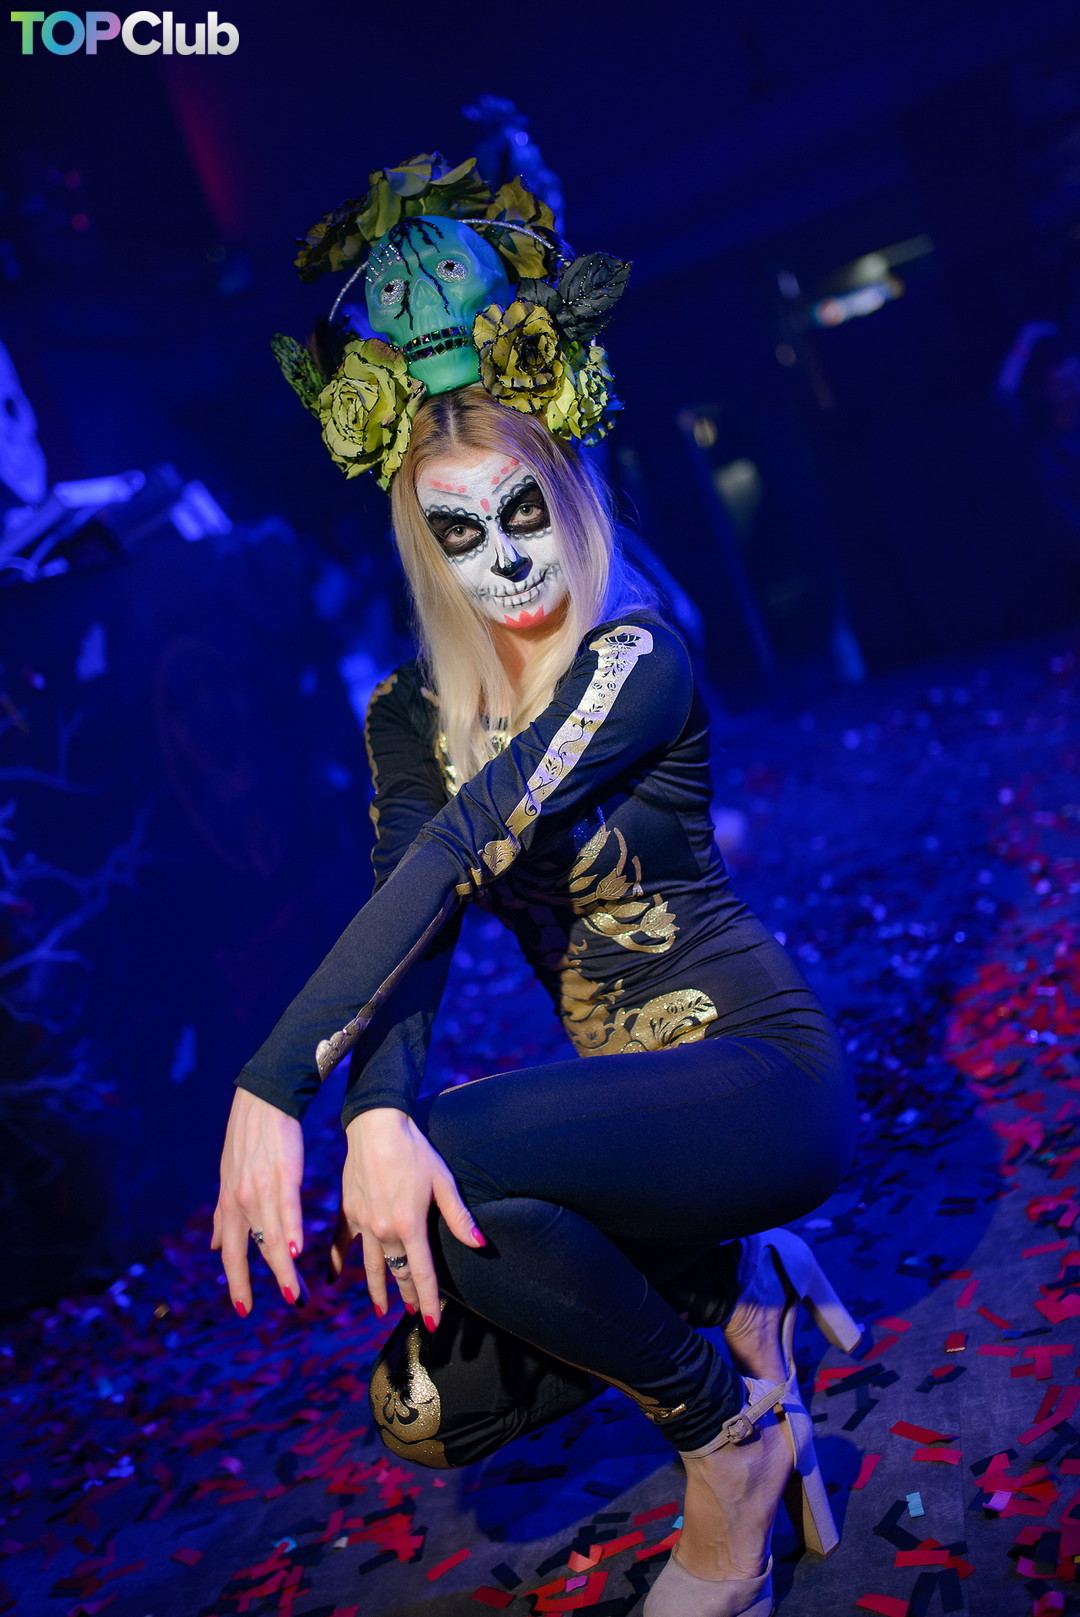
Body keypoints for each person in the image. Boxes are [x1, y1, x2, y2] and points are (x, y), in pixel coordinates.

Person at [213, 154, 859, 1617]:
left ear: (566, 494)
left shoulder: (635, 655)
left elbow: (460, 848)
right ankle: (729, 1293)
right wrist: (373, 1106)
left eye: (522, 513)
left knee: (436, 1162)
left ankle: (730, 1443)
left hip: (762, 1078)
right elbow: (413, 931)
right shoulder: (408, 716)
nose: (507, 562)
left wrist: (281, 1084)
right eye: (460, 531)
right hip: (632, 1128)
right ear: (422, 547)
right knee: (421, 1407)